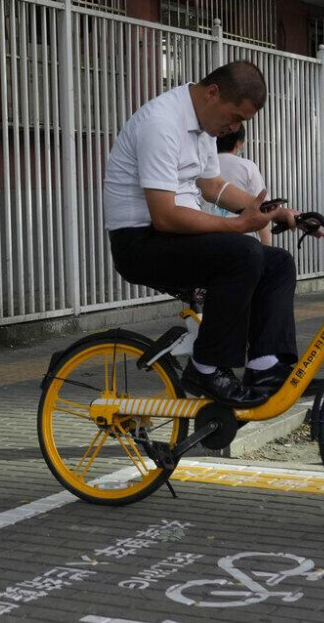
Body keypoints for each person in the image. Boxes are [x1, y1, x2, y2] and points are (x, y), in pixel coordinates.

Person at [105, 60, 297, 409]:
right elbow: (164, 216)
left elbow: (213, 187)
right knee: (244, 254)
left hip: (175, 236)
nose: (234, 128)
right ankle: (207, 367)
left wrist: (270, 210)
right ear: (213, 93)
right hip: (140, 242)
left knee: (278, 262)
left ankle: (265, 366)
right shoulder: (161, 123)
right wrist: (237, 226)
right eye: (236, 117)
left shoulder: (204, 126)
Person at [213, 124, 272, 245]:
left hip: (207, 237)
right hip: (243, 242)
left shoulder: (203, 165)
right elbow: (261, 209)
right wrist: (267, 246)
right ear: (239, 143)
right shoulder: (247, 167)